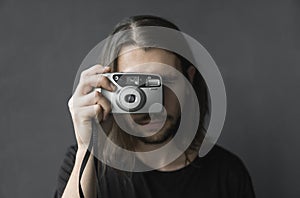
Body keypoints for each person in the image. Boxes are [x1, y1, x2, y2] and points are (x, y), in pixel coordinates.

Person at [54, 15, 256, 198]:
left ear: (189, 80)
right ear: (109, 87)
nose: (154, 106)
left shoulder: (228, 173)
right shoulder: (85, 164)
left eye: (166, 80)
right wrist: (86, 147)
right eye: (135, 86)